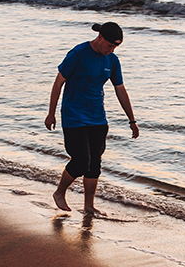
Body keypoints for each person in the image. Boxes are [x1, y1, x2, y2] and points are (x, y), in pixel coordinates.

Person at [45, 22, 139, 216]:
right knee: (81, 161)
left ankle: (89, 206)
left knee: (94, 163)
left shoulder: (112, 61)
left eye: (115, 47)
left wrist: (132, 120)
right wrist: (51, 113)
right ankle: (60, 192)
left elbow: (120, 89)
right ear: (100, 38)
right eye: (110, 45)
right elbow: (58, 83)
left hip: (98, 118)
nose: (111, 50)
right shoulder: (78, 54)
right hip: (73, 116)